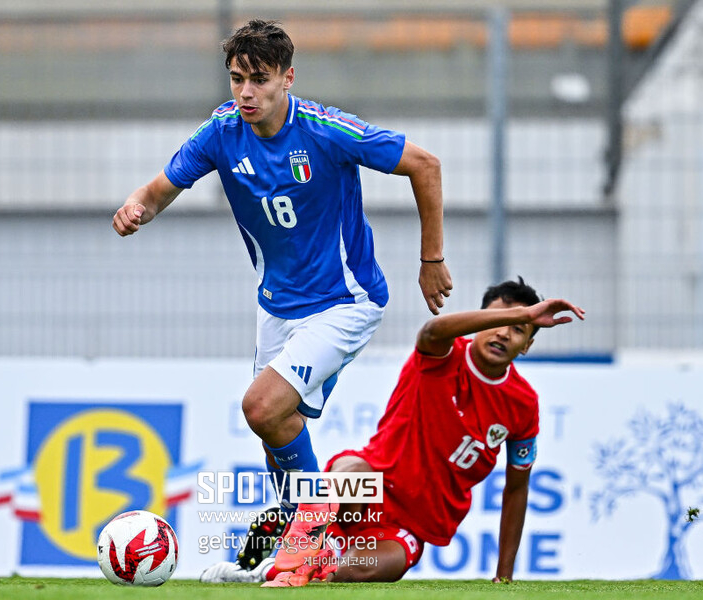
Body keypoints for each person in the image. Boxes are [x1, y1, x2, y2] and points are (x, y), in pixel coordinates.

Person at [112, 18, 452, 529]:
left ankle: (311, 530)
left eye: (259, 80)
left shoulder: (325, 130)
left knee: (260, 406)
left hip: (345, 300)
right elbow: (157, 191)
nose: (246, 93)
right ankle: (299, 538)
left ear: (287, 78)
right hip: (275, 305)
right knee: (275, 426)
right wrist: (136, 208)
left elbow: (425, 164)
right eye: (237, 79)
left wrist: (431, 260)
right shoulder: (222, 132)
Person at [199, 277, 584, 586]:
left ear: (528, 345)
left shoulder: (523, 404)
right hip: (370, 484)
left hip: (410, 525)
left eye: (518, 329)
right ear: (477, 322)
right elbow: (433, 329)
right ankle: (286, 546)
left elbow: (516, 488)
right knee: (350, 472)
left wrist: (504, 576)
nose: (503, 333)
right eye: (497, 321)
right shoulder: (441, 354)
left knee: (363, 570)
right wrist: (524, 312)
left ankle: (284, 562)